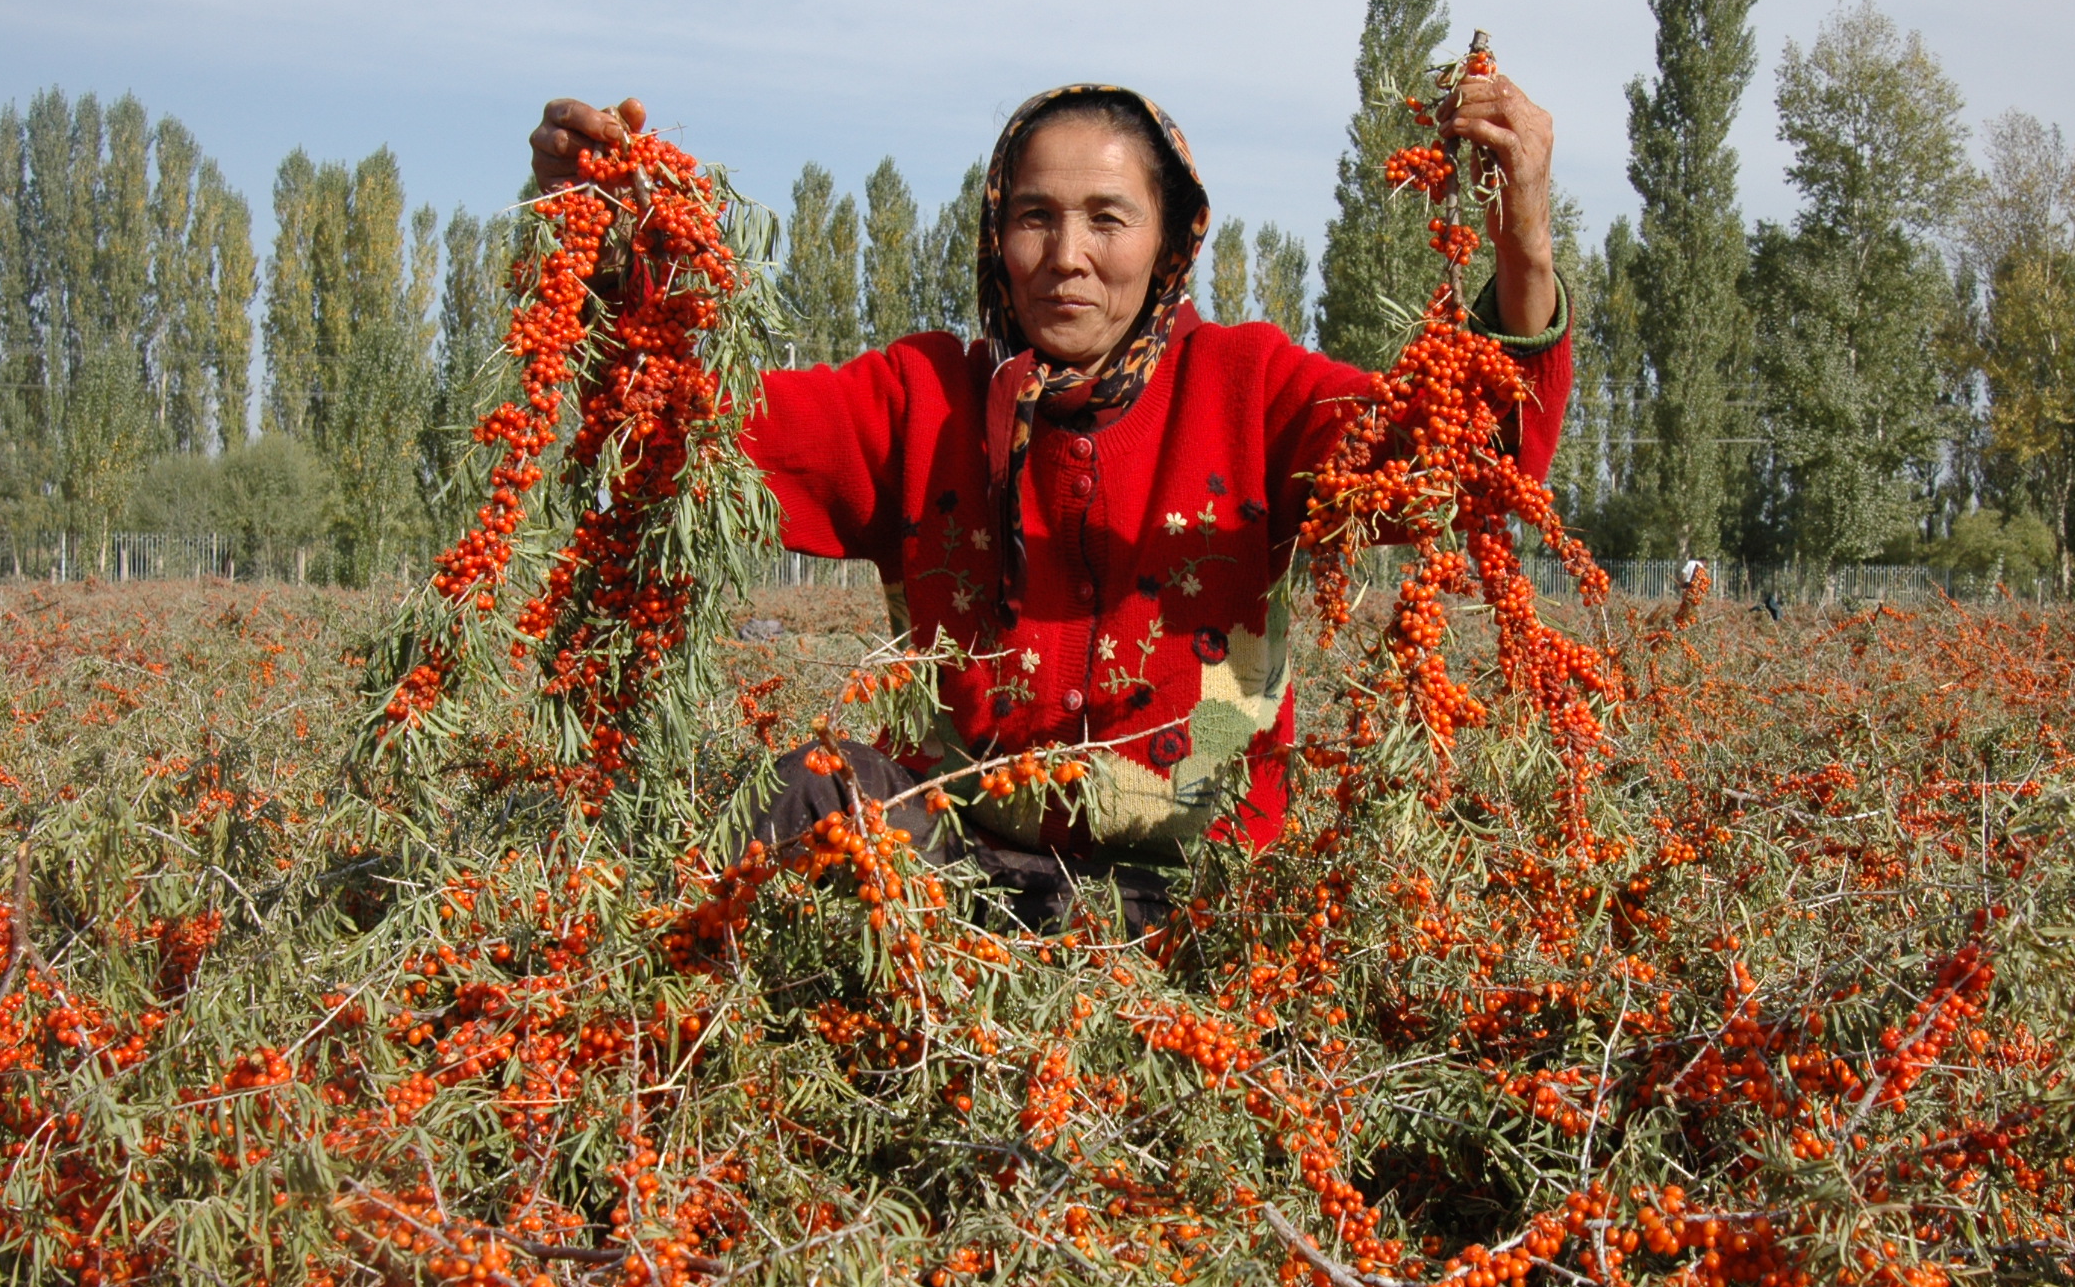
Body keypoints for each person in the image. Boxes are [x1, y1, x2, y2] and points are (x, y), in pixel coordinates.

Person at [529, 76, 1572, 931]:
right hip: (961, 862)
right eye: (1035, 217)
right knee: (804, 791)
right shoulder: (922, 400)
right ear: (996, 232)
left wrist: (1521, 238)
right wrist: (613, 261)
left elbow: (1458, 456)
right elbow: (686, 438)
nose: (1066, 256)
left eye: (1105, 219)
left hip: (1192, 887)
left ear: (1170, 244)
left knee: (1288, 934)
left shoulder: (1251, 386)